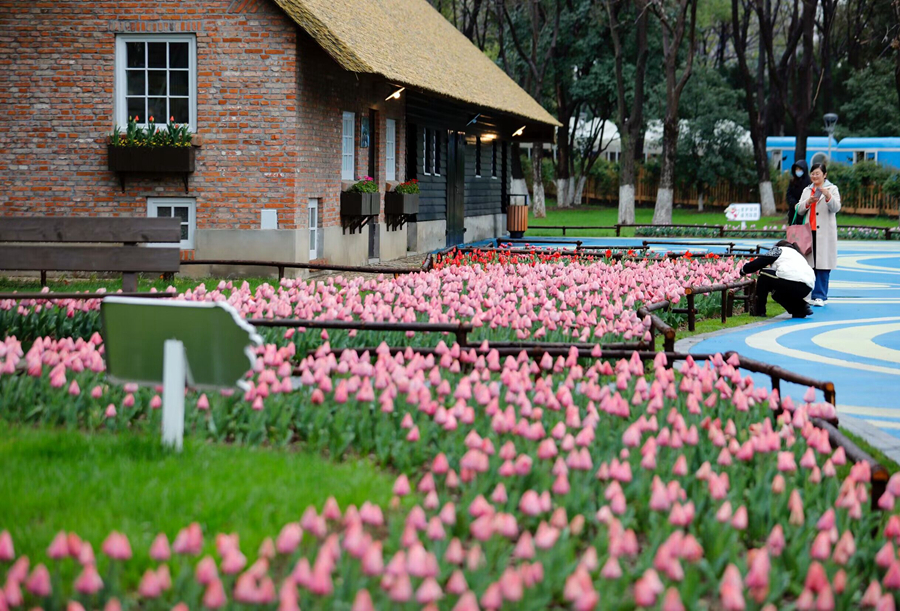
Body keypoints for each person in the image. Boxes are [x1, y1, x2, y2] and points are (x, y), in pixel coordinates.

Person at [794, 163, 841, 306]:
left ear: (824, 175)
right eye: (812, 173)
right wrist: (808, 202)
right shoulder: (807, 190)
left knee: (823, 264)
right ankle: (809, 293)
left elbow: (836, 207)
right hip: (809, 231)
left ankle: (820, 295)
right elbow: (798, 208)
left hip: (825, 233)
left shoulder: (832, 189)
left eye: (817, 173)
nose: (814, 176)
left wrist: (827, 196)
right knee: (809, 264)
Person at [740, 240, 815, 319]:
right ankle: (800, 309)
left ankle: (759, 310)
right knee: (776, 294)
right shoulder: (798, 254)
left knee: (764, 274)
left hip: (791, 281)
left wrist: (744, 270)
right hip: (807, 287)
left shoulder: (779, 250)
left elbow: (761, 262)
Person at [786, 160, 811, 226]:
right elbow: (789, 194)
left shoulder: (809, 182)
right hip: (793, 211)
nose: (798, 171)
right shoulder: (792, 181)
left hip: (805, 211)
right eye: (797, 169)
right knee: (794, 233)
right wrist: (794, 204)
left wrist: (803, 205)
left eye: (800, 169)